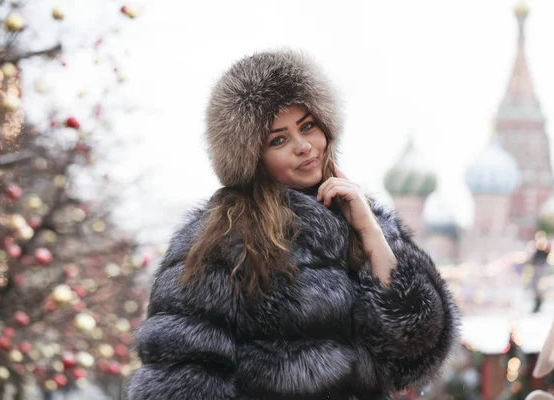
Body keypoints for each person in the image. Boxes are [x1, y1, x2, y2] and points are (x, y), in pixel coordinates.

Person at [126, 50, 460, 400]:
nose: (303, 147)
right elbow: (180, 381)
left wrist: (371, 231)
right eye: (278, 140)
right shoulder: (221, 239)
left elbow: (416, 355)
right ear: (253, 157)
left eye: (307, 126)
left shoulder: (367, 224)